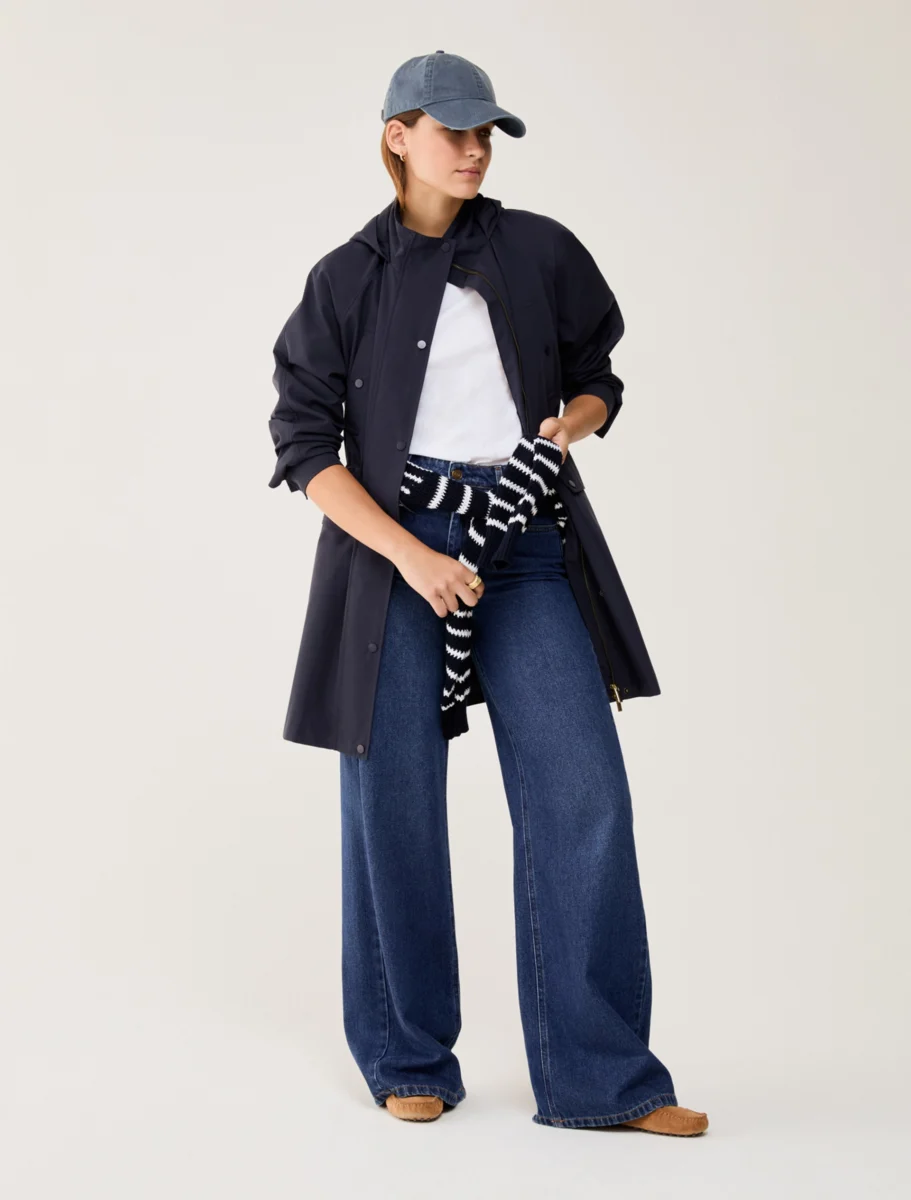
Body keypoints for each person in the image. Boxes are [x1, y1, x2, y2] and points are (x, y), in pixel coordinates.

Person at [267, 50, 709, 1136]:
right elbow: (304, 447)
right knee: (394, 802)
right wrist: (411, 558)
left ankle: (600, 1078)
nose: (473, 151)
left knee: (581, 794)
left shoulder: (538, 249)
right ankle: (406, 1054)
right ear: (397, 136)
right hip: (394, 556)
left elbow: (597, 375)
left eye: (485, 134)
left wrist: (566, 429)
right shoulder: (344, 279)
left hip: (521, 543)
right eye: (453, 131)